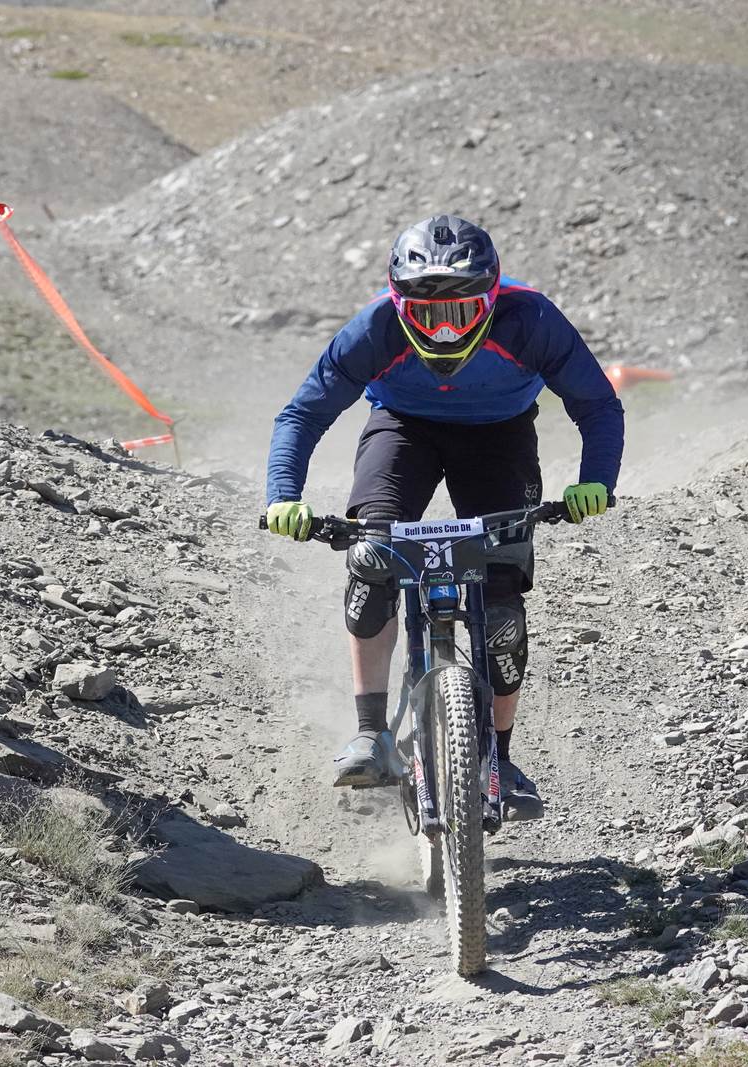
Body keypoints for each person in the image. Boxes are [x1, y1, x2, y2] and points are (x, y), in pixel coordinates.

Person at [263, 214, 624, 811]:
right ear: (400, 304)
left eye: (461, 312)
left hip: (499, 435)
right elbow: (302, 414)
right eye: (428, 314)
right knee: (372, 557)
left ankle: (500, 760)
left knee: (504, 592)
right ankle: (371, 733)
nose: (446, 329)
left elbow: (597, 405)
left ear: (491, 298)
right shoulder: (374, 328)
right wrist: (283, 495)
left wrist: (596, 482)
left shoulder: (531, 318)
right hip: (403, 430)